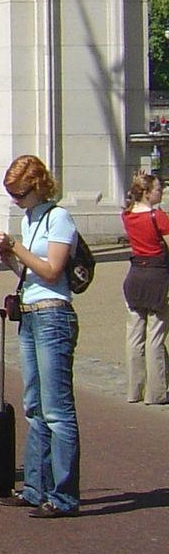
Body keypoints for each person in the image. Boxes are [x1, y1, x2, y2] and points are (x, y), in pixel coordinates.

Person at [0, 155, 82, 516]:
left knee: (57, 410)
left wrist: (18, 248)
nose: (15, 201)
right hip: (30, 311)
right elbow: (30, 273)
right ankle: (35, 487)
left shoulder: (59, 218)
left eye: (19, 193)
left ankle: (63, 495)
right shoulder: (31, 218)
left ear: (38, 187)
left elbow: (54, 270)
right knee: (34, 407)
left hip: (54, 315)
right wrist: (8, 256)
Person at [119, 171, 169, 405]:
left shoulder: (127, 215)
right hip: (157, 276)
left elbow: (129, 204)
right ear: (148, 193)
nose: (162, 191)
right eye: (158, 189)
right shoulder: (158, 217)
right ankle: (157, 392)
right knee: (156, 335)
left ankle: (134, 390)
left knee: (134, 334)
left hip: (135, 274)